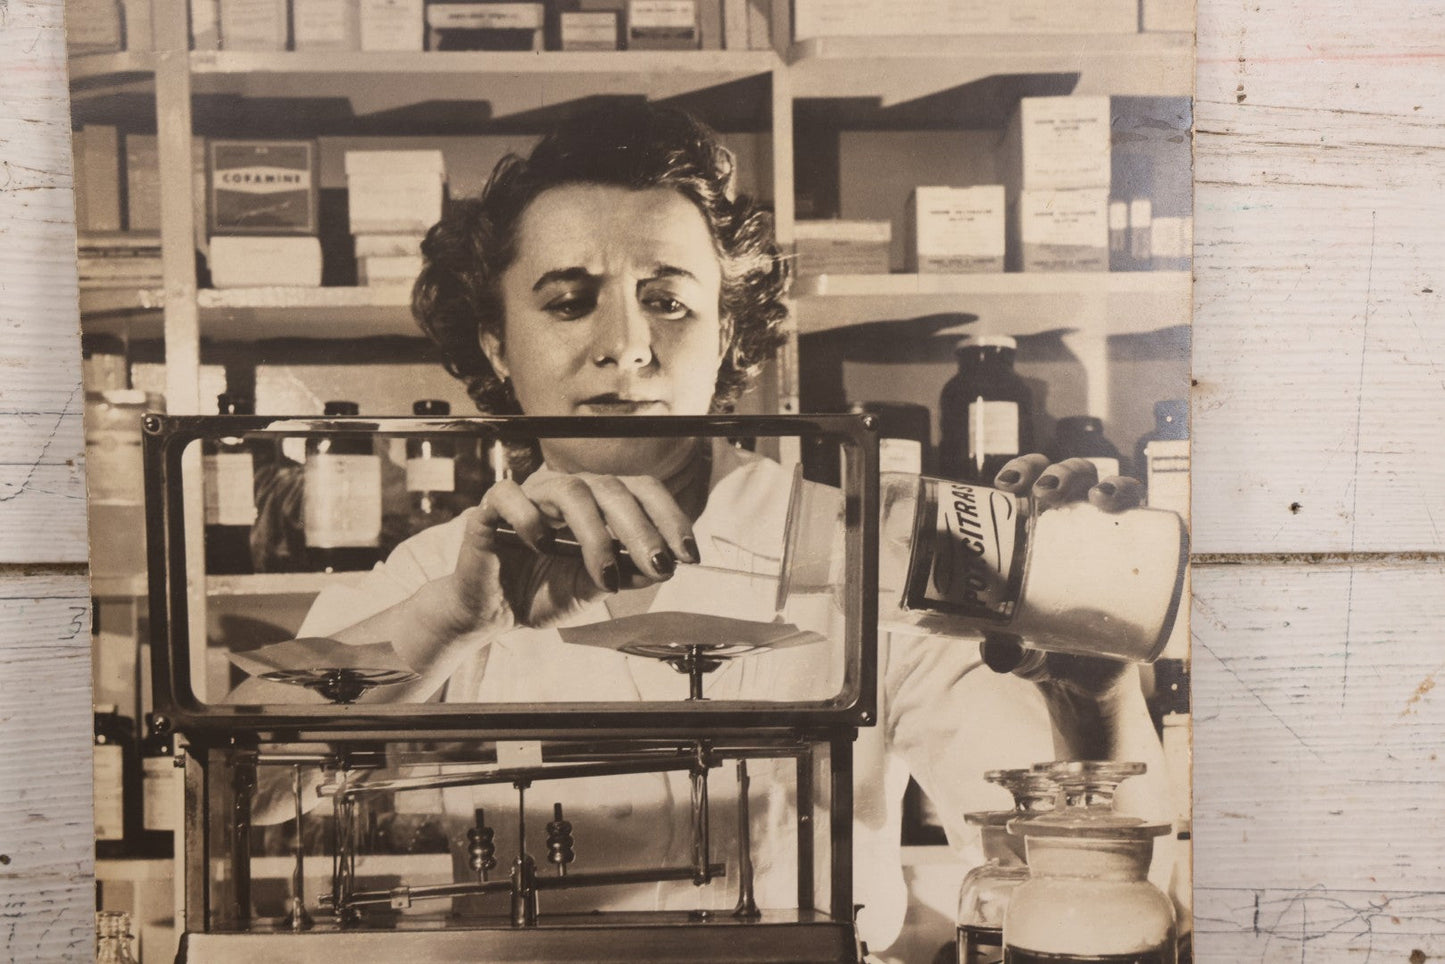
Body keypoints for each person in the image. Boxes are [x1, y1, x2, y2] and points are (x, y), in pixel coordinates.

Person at [238, 103, 1171, 951]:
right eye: (568, 301)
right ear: (495, 344)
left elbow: (1093, 878)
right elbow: (245, 791)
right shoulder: (443, 569)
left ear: (726, 334)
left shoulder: (868, 550)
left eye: (667, 299)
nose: (627, 346)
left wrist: (1089, 688)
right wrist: (445, 626)